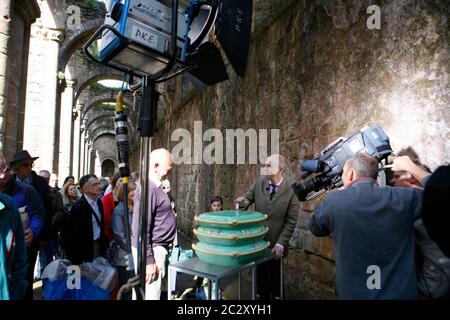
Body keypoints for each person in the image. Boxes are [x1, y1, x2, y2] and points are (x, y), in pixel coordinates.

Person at [309, 153, 422, 299]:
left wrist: (339, 193)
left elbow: (315, 227)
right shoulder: (404, 198)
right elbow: (441, 194)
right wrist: (413, 170)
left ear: (350, 174)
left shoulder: (335, 201)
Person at [235, 154, 299, 300]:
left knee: (276, 283)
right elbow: (248, 199)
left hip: (276, 246)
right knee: (260, 283)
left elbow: (290, 222)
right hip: (257, 243)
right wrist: (241, 203)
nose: (264, 168)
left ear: (280, 169)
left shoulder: (291, 191)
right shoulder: (259, 182)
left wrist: (281, 244)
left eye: (269, 165)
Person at [391, 151, 450, 299]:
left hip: (434, 287)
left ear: (410, 177)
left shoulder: (423, 204)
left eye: (396, 176)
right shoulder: (430, 200)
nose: (392, 181)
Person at [131, 148, 176, 300]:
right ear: (156, 166)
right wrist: (149, 261)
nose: (169, 174)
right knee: (150, 295)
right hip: (152, 251)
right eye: (167, 170)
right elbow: (141, 227)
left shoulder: (154, 187)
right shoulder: (148, 188)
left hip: (155, 249)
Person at [1, 153, 45, 300]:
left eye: (5, 169)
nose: (4, 174)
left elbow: (38, 213)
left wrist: (33, 231)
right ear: (17, 168)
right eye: (25, 165)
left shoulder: (26, 190)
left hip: (22, 247)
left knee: (24, 282)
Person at [392, 156, 450, 258]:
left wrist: (411, 167)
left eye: (396, 177)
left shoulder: (434, 203)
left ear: (412, 178)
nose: (392, 181)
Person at [62, 174, 107, 265]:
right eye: (94, 185)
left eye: (98, 183)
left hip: (99, 246)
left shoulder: (98, 202)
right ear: (85, 189)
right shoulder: (78, 208)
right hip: (85, 250)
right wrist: (76, 262)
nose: (99, 186)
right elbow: (71, 237)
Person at [0, 160, 28, 300]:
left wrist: (17, 288)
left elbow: (20, 255)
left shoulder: (8, 205)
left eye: (4, 168)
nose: (4, 174)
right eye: (2, 168)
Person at [111, 181, 137, 300]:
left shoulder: (137, 207)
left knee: (135, 286)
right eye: (132, 190)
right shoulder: (118, 210)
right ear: (125, 193)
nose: (135, 193)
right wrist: (134, 249)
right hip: (126, 255)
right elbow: (119, 235)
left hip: (137, 253)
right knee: (127, 285)